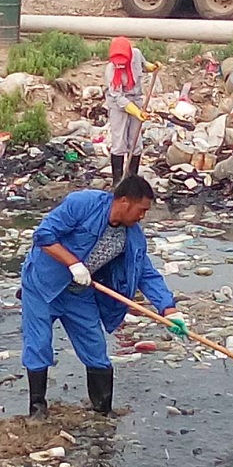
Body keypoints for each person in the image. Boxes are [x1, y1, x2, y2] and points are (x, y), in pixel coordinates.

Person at [20, 176, 187, 419]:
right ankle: (37, 410)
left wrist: (169, 309)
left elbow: (146, 274)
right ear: (124, 202)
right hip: (43, 286)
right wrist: (73, 263)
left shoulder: (133, 236)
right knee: (39, 344)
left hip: (79, 293)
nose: (142, 217)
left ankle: (102, 411)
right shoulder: (83, 204)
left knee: (95, 348)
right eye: (141, 210)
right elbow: (44, 235)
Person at [104, 36, 160, 186]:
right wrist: (136, 112)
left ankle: (131, 179)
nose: (121, 66)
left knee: (135, 141)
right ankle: (117, 182)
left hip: (136, 99)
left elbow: (143, 65)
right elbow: (118, 97)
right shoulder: (111, 70)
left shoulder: (136, 54)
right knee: (119, 141)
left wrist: (152, 67)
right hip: (118, 104)